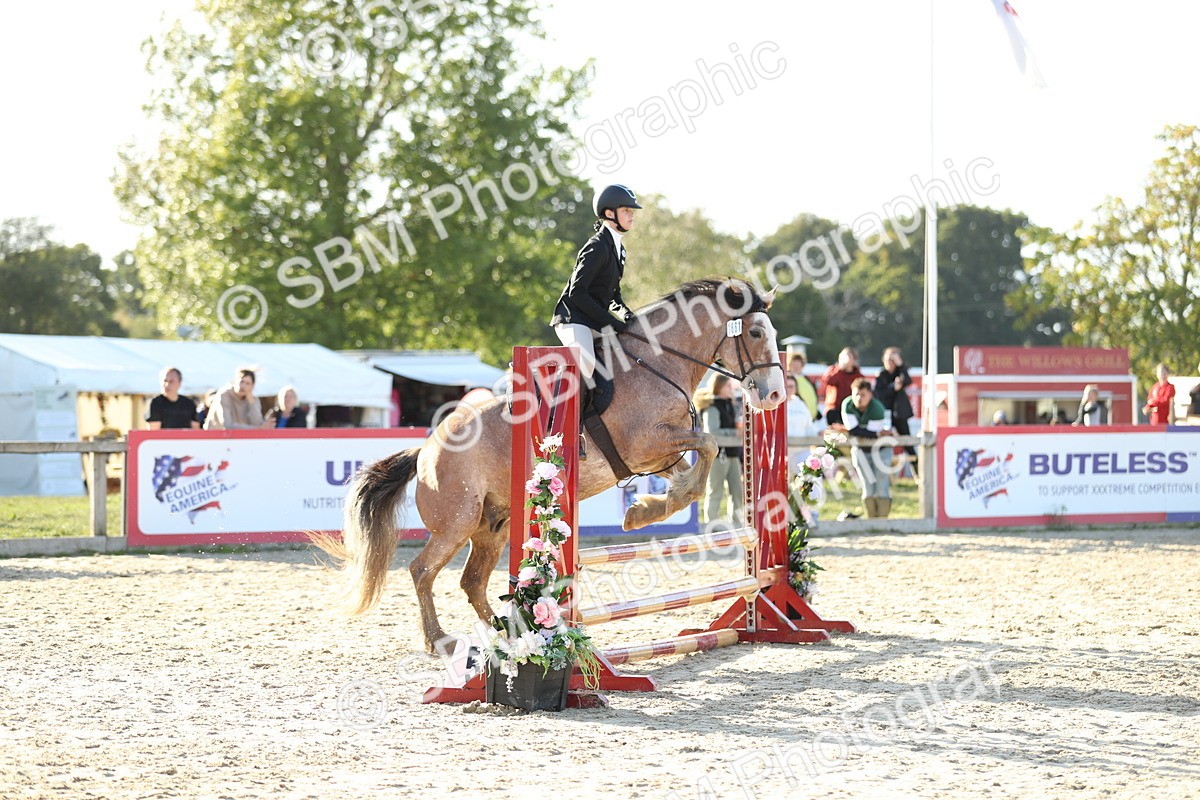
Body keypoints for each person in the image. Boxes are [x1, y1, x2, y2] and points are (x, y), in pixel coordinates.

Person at [549, 183, 641, 391]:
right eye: (626, 210)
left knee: (628, 353)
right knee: (587, 364)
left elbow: (613, 296)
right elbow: (577, 292)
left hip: (594, 320)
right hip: (574, 320)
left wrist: (627, 315)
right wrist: (610, 322)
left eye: (631, 211)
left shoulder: (620, 250)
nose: (631, 215)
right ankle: (554, 413)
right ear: (609, 213)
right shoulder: (597, 246)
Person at [839, 378, 894, 518]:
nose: (859, 398)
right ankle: (871, 520)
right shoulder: (847, 404)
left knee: (882, 484)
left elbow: (867, 436)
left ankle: (881, 521)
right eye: (856, 394)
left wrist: (871, 433)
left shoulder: (877, 409)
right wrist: (875, 433)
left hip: (881, 451)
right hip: (860, 450)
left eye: (863, 395)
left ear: (870, 395)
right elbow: (855, 431)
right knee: (867, 485)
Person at [695, 375, 743, 528]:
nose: (731, 388)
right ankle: (712, 525)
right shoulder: (712, 406)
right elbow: (712, 432)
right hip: (718, 456)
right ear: (719, 387)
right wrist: (734, 433)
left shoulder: (729, 404)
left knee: (737, 492)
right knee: (715, 491)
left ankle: (736, 524)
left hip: (732, 454)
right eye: (728, 386)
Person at [873, 346, 916, 475]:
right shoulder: (881, 375)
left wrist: (900, 364)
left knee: (908, 442)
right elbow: (879, 394)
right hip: (886, 414)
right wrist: (893, 388)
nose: (890, 362)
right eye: (888, 359)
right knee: (884, 442)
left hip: (900, 414)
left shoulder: (900, 372)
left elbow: (908, 380)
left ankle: (918, 473)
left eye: (893, 359)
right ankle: (883, 473)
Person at [203, 368, 275, 430]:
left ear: (252, 386)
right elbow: (227, 425)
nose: (243, 386)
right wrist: (257, 428)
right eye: (241, 382)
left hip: (239, 439)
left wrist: (252, 404)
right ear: (235, 381)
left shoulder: (253, 399)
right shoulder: (224, 395)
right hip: (215, 438)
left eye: (247, 383)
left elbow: (257, 423)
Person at [821, 347, 862, 427]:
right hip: (834, 410)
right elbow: (827, 381)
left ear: (854, 359)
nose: (846, 360)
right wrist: (840, 369)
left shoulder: (858, 375)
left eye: (849, 357)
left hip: (851, 410)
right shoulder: (833, 370)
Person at [787, 352, 823, 426]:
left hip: (811, 420)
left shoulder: (806, 379)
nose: (796, 367)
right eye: (794, 365)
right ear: (789, 365)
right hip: (796, 422)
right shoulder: (788, 381)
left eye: (798, 365)